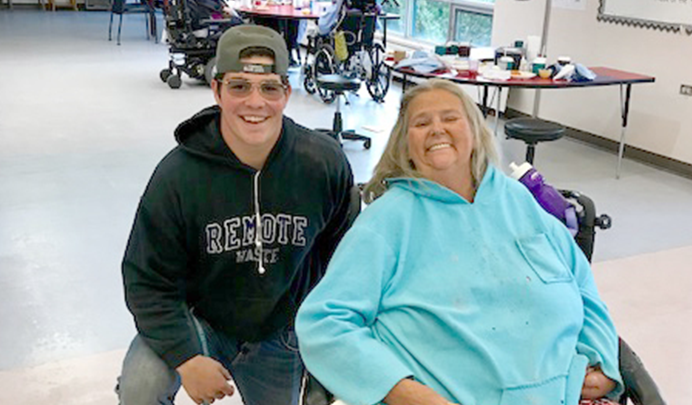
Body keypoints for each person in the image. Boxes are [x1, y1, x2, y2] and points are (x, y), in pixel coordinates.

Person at [295, 79, 624, 405]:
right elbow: (324, 322)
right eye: (421, 123)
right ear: (404, 145)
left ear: (476, 132)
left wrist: (604, 360)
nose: (437, 129)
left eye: (450, 118)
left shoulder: (516, 200)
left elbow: (581, 283)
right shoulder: (388, 221)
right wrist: (405, 393)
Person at [117, 24, 355, 405]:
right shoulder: (178, 176)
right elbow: (147, 279)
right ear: (217, 90)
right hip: (202, 322)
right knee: (142, 383)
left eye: (269, 88)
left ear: (286, 93)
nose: (255, 102)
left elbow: (347, 260)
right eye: (239, 86)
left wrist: (323, 342)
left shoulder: (322, 165)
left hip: (281, 330)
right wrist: (186, 357)